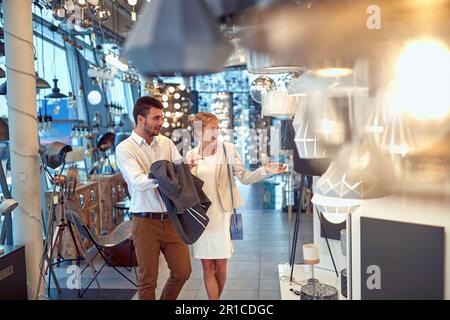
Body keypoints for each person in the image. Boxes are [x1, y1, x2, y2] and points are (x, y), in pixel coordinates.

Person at [186, 112, 286, 300]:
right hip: (201, 217)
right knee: (207, 266)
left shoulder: (228, 150)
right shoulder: (190, 155)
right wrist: (185, 171)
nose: (217, 131)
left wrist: (266, 170)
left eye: (218, 127)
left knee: (221, 268)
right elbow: (186, 188)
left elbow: (245, 177)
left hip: (222, 214)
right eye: (212, 128)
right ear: (199, 131)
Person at [116, 96, 191, 300]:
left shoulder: (165, 143)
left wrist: (178, 172)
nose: (161, 123)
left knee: (183, 271)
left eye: (162, 118)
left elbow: (180, 169)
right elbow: (139, 181)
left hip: (172, 218)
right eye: (156, 118)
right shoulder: (125, 148)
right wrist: (169, 177)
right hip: (145, 221)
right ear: (141, 119)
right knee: (148, 280)